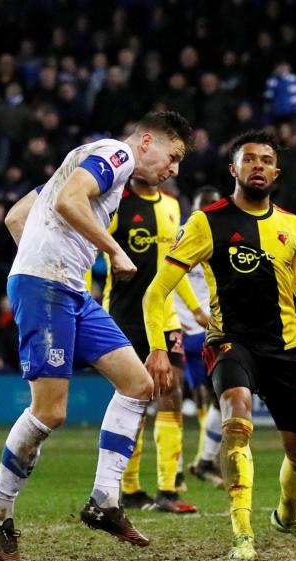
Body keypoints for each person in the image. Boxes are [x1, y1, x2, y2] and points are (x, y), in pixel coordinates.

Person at [142, 130, 296, 561]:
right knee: (236, 415)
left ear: (276, 172)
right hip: (230, 343)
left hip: (286, 351)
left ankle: (289, 517)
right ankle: (243, 533)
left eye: (265, 160)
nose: (257, 165)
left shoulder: (292, 227)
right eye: (249, 159)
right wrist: (157, 347)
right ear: (233, 169)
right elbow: (155, 292)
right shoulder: (206, 222)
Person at [0, 111, 193, 561]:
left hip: (69, 289)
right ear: (149, 141)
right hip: (48, 287)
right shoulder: (116, 154)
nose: (173, 169)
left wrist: (42, 252)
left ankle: (104, 500)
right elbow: (69, 202)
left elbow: (19, 215)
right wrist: (112, 251)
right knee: (50, 412)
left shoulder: (84, 162)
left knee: (139, 384)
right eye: (173, 157)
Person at [103, 176, 208, 514]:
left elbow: (171, 267)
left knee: (172, 391)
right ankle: (130, 489)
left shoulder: (172, 206)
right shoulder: (117, 204)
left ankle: (168, 489)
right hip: (125, 315)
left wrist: (194, 309)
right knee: (134, 398)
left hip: (165, 318)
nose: (171, 168)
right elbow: (94, 241)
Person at [180, 186, 224, 489]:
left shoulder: (226, 235)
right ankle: (189, 465)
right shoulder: (183, 234)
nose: (210, 209)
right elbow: (168, 279)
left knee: (217, 397)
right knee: (201, 397)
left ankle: (203, 459)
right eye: (204, 205)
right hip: (189, 329)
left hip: (216, 327)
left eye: (214, 204)